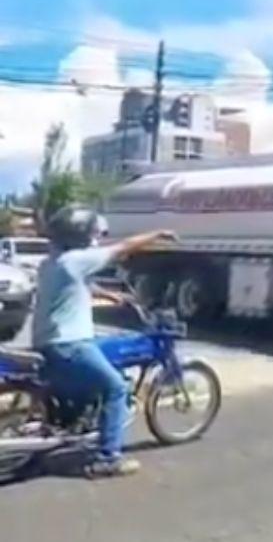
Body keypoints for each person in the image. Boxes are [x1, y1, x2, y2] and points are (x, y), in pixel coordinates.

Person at [32, 205, 176, 479]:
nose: (95, 238)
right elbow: (123, 247)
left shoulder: (52, 263)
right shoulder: (78, 259)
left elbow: (77, 285)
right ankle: (108, 459)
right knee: (116, 387)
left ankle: (80, 417)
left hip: (51, 343)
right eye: (92, 233)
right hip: (70, 344)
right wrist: (157, 234)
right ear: (81, 235)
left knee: (105, 350)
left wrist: (111, 296)